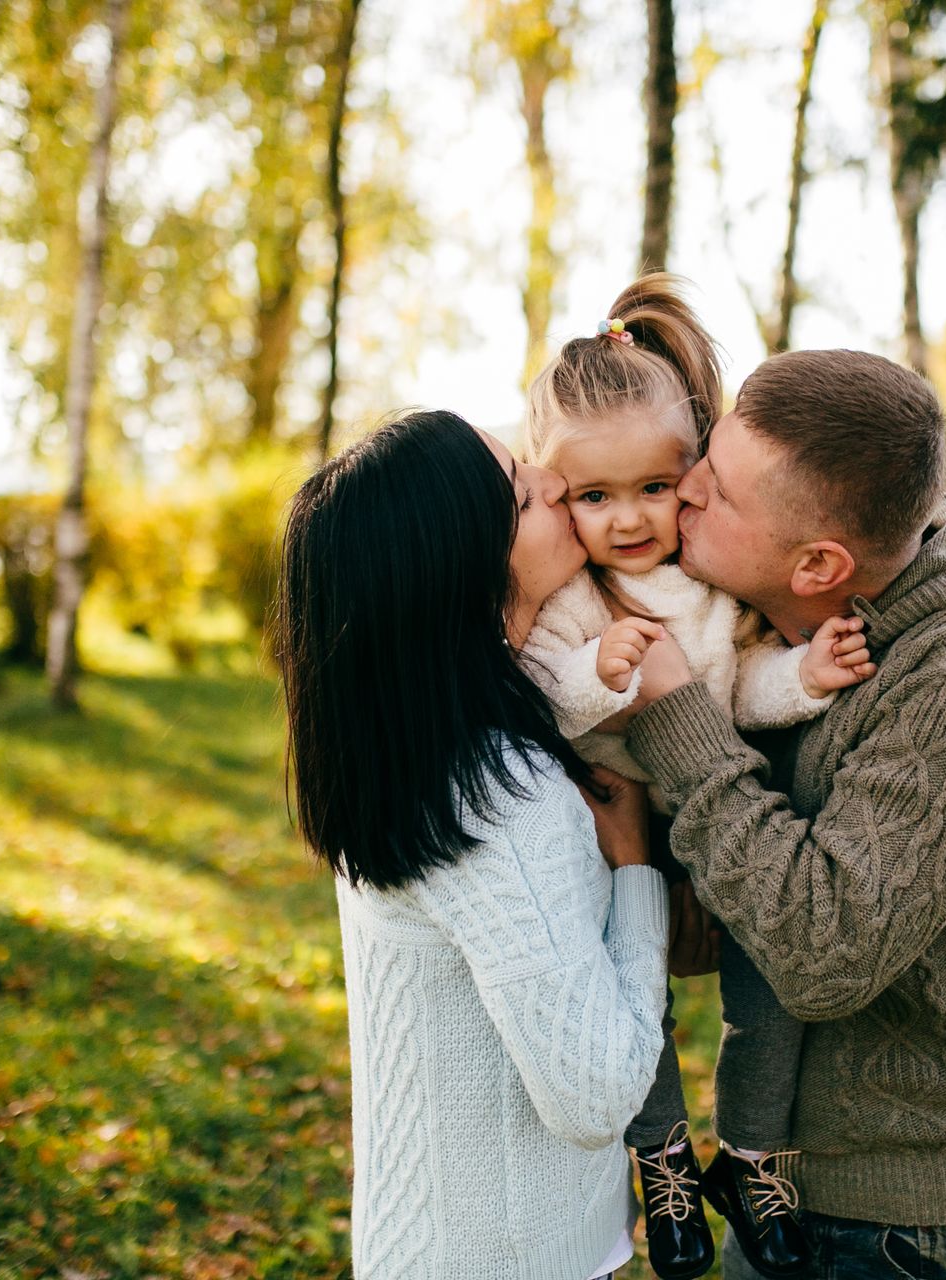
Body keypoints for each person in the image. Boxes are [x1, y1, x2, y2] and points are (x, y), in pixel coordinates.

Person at [621, 349, 946, 1278]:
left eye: (715, 491)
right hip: (799, 1196)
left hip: (938, 1230)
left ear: (818, 565)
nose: (684, 494)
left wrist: (676, 720)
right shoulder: (780, 620)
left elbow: (823, 949)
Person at [515, 274, 872, 1280]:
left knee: (774, 995)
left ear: (693, 474)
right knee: (637, 1007)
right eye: (594, 496)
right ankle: (663, 1158)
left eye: (653, 488)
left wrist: (803, 675)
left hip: (725, 818)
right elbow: (544, 689)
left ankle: (757, 1157)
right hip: (624, 833)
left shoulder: (712, 580)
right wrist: (602, 674)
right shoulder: (575, 598)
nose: (628, 518)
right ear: (557, 492)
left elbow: (738, 684)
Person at [274, 408, 671, 1280]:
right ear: (465, 572)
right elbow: (597, 1093)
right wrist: (637, 867)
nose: (557, 487)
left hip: (422, 1244)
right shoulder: (498, 796)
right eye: (529, 496)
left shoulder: (401, 747)